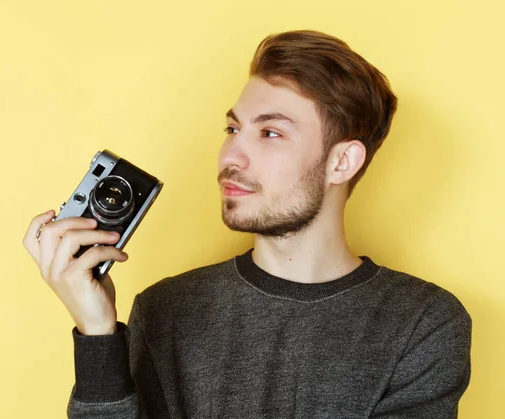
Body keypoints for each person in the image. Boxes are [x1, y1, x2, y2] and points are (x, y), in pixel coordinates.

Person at [23, 29, 472, 418]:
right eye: (232, 130)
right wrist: (97, 334)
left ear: (342, 161)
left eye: (270, 132)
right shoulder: (164, 310)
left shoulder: (422, 324)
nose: (230, 157)